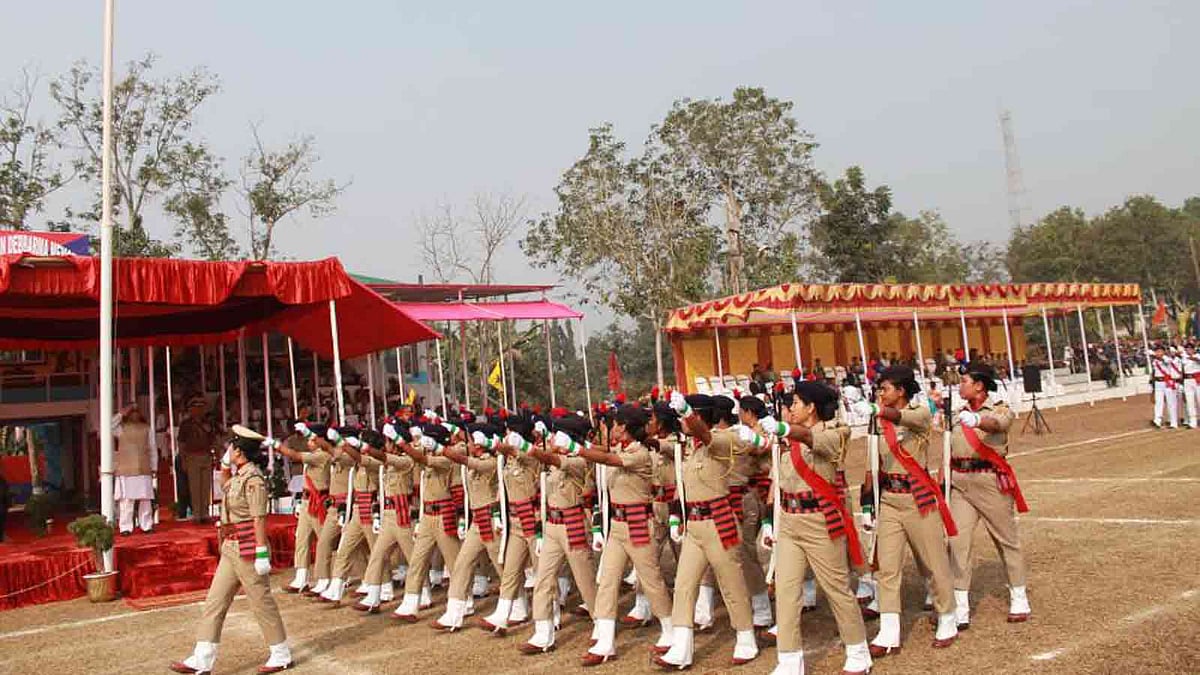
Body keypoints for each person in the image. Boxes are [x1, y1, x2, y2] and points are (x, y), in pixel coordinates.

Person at [753, 382, 872, 675]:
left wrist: (783, 429)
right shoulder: (788, 440)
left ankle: (858, 651)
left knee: (837, 589)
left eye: (795, 403)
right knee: (787, 591)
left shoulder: (835, 432)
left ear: (811, 407)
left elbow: (808, 436)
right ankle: (790, 660)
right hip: (790, 520)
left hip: (820, 520)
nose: (790, 408)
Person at [853, 365, 959, 657]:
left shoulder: (920, 413)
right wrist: (866, 504)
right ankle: (889, 632)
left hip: (918, 499)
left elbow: (904, 418)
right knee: (887, 568)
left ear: (900, 391)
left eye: (885, 388)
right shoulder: (878, 420)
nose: (881, 393)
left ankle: (947, 615)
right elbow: (871, 463)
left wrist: (877, 409)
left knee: (933, 561)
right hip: (889, 499)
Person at [169, 427, 291, 674]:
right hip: (231, 546)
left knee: (261, 602)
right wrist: (225, 465)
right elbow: (225, 485)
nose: (229, 451)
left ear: (241, 452)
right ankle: (202, 658)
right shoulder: (239, 476)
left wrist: (261, 553)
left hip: (247, 545)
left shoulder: (254, 479)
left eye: (232, 449)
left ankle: (280, 652)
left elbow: (259, 518)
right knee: (215, 601)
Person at [654, 392, 758, 670]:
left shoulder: (725, 439)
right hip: (696, 525)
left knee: (731, 583)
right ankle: (682, 646)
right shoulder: (691, 448)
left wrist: (687, 412)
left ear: (698, 415)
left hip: (719, 521)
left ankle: (746, 637)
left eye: (686, 416)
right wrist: (676, 516)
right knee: (685, 585)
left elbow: (708, 435)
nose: (681, 422)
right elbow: (684, 487)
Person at [574, 405, 673, 665]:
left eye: (616, 424)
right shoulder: (621, 449)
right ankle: (606, 641)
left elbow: (609, 460)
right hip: (618, 525)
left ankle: (671, 630)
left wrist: (577, 450)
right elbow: (607, 453)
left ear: (627, 427)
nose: (613, 428)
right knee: (607, 581)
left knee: (651, 580)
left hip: (638, 523)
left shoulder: (640, 453)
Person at [947, 362, 1031, 629]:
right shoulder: (957, 412)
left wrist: (978, 420)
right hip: (960, 482)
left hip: (989, 481)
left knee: (1006, 540)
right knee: (958, 543)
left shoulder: (998, 407)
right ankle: (960, 605)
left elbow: (999, 424)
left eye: (965, 381)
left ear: (979, 385)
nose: (960, 386)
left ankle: (1019, 595)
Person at [519, 413, 599, 654]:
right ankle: (543, 632)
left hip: (573, 523)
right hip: (552, 525)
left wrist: (526, 447)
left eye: (556, 434)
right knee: (544, 578)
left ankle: (602, 624)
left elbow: (552, 459)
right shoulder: (555, 462)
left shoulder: (577, 461)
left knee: (585, 580)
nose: (551, 437)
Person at [433, 422, 505, 630]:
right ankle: (454, 612)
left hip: (491, 520)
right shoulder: (474, 462)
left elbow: (466, 461)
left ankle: (517, 604)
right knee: (462, 563)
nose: (470, 444)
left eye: (473, 440)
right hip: (476, 521)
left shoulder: (492, 462)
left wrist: (441, 449)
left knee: (502, 568)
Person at [478, 413, 541, 634]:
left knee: (543, 573)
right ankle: (502, 614)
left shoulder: (531, 456)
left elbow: (519, 452)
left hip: (533, 521)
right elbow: (502, 491)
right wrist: (497, 512)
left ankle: (550, 618)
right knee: (511, 570)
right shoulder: (508, 459)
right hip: (515, 522)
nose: (504, 435)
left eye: (508, 432)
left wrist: (491, 443)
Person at [393, 423, 461, 621]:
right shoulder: (429, 457)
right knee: (417, 560)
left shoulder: (445, 460)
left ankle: (462, 601)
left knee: (454, 561)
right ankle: (411, 602)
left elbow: (421, 458)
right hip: (428, 515)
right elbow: (416, 457)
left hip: (443, 514)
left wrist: (400, 442)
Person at [354, 423, 417, 612]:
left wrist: (368, 449)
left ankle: (422, 593)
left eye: (389, 441)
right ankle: (373, 597)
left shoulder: (405, 461)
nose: (386, 444)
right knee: (377, 554)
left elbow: (383, 456)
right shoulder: (388, 463)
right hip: (388, 514)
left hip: (402, 513)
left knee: (414, 558)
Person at [321, 426, 380, 605]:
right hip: (356, 510)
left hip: (371, 509)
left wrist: (340, 442)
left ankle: (383, 587)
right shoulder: (355, 462)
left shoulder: (375, 461)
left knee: (378, 551)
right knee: (344, 549)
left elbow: (358, 457)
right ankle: (336, 588)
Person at [272, 422, 332, 594]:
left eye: (311, 439)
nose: (308, 442)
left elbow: (295, 455)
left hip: (319, 501)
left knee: (324, 542)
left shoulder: (323, 455)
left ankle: (324, 578)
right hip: (307, 501)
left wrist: (276, 445)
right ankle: (301, 577)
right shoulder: (315, 454)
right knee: (302, 539)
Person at [112, 405, 156, 535]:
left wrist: (154, 467)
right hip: (126, 469)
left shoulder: (147, 429)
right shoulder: (120, 429)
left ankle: (146, 525)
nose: (134, 414)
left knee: (145, 499)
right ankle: (125, 527)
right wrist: (121, 413)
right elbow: (108, 426)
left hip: (143, 468)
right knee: (127, 500)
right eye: (132, 412)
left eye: (137, 411)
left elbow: (152, 449)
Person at [177, 397, 217, 523]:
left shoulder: (208, 423)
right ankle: (197, 514)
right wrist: (183, 459)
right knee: (194, 486)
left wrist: (216, 455)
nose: (199, 410)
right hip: (192, 456)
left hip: (206, 455)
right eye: (196, 407)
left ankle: (205, 513)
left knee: (206, 487)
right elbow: (181, 443)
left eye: (201, 407)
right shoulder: (186, 424)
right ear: (191, 409)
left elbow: (213, 440)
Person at [1149, 344, 1182, 429]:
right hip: (1158, 383)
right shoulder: (1155, 361)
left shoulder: (1167, 359)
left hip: (1167, 382)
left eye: (1160, 351)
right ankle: (1157, 420)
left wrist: (1156, 355)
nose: (1158, 352)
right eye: (1157, 351)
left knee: (1171, 402)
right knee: (1158, 402)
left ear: (1163, 352)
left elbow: (1165, 361)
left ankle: (1173, 422)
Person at [1182, 344, 1200, 428]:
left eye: (1190, 349)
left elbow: (1197, 360)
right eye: (1187, 349)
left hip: (1197, 380)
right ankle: (1193, 421)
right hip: (1187, 380)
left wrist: (1191, 357)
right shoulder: (1183, 358)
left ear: (1193, 349)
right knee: (1190, 402)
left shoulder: (1197, 355)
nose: (1188, 350)